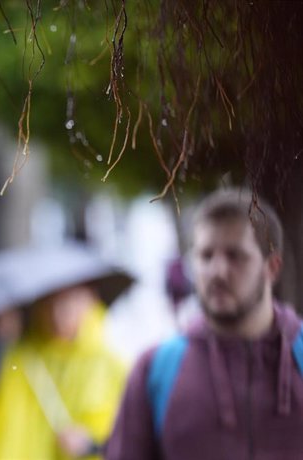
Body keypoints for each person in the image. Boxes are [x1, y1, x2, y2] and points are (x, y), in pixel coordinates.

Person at [106, 188, 303, 460]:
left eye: (235, 255)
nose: (217, 271)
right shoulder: (156, 371)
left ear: (272, 267)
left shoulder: (298, 357)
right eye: (206, 256)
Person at [0, 283, 128, 459]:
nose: (58, 315)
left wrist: (91, 444)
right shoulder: (19, 355)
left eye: (69, 302)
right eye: (51, 303)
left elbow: (129, 438)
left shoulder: (112, 366)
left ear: (91, 298)